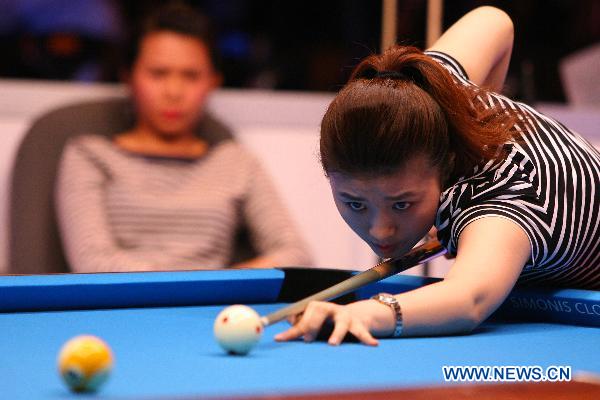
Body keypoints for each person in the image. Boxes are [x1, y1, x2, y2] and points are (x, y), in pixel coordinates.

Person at [275, 6, 599, 346]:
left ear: (446, 164)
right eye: (355, 204)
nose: (380, 229)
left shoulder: (502, 197)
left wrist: (363, 314)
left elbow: (468, 300)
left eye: (401, 204)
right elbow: (493, 20)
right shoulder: (423, 92)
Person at [55, 2, 312, 272]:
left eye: (191, 76)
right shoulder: (90, 156)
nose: (174, 91)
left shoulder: (236, 162)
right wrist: (197, 286)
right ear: (128, 77)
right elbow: (93, 262)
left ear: (212, 81)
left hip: (212, 309)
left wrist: (223, 285)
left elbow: (295, 254)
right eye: (158, 74)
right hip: (122, 307)